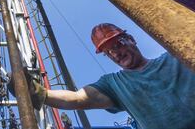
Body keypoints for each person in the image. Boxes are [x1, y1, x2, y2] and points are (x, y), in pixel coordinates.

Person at [24, 23, 195, 129]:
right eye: (108, 52)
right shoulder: (115, 84)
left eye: (117, 45)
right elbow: (77, 98)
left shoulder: (176, 58)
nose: (115, 54)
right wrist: (37, 92)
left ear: (131, 39)